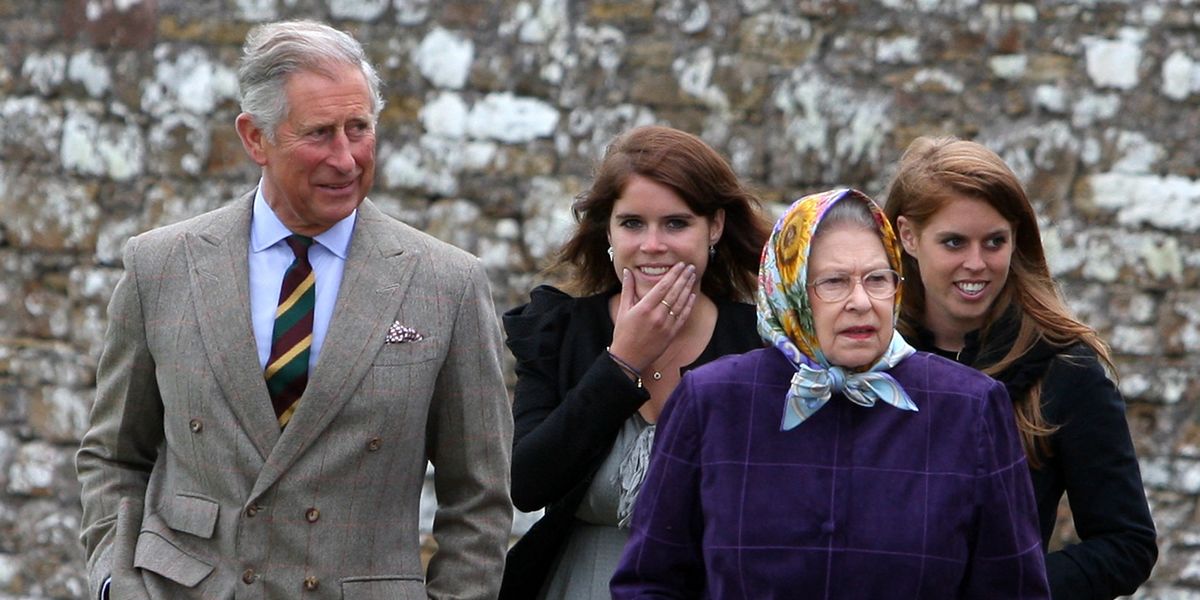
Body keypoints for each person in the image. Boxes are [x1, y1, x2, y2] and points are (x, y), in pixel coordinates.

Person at [75, 20, 512, 599]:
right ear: (255, 137)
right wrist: (115, 583)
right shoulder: (160, 266)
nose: (346, 158)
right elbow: (113, 456)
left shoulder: (447, 283)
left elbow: (479, 498)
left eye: (359, 129)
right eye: (320, 133)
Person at [612, 188, 1051, 599]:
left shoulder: (968, 407)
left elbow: (1012, 587)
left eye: (878, 279)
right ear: (789, 291)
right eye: (834, 282)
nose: (861, 301)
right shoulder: (712, 401)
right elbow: (651, 581)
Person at [499, 125, 772, 599]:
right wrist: (622, 362)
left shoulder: (760, 342)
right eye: (632, 224)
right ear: (608, 229)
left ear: (715, 227)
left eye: (676, 223)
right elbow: (526, 482)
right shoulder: (559, 330)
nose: (652, 245)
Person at [882, 136, 1157, 599]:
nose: (977, 264)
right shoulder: (863, 354)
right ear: (907, 236)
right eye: (953, 242)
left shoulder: (1064, 368)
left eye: (995, 242)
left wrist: (1011, 589)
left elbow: (1126, 544)